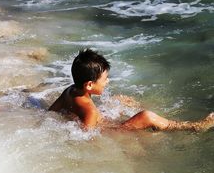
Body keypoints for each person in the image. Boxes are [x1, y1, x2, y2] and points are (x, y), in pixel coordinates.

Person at [49, 49, 214, 131]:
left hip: (100, 120)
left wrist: (70, 118)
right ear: (89, 85)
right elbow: (87, 136)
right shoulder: (90, 111)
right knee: (147, 115)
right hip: (114, 130)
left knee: (120, 99)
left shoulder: (70, 90)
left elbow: (51, 111)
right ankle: (192, 127)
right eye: (105, 79)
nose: (108, 81)